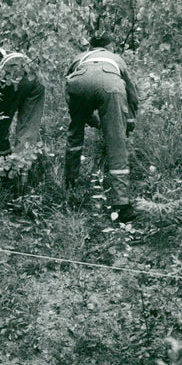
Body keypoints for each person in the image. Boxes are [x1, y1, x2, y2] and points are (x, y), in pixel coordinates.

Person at [64, 34, 139, 223]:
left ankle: (69, 183)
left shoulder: (79, 58)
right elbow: (132, 94)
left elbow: (68, 90)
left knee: (75, 133)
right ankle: (121, 205)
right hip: (110, 86)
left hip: (78, 83)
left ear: (90, 47)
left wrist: (87, 119)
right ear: (110, 46)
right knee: (116, 142)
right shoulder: (116, 59)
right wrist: (128, 123)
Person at [0, 49, 45, 164]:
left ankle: (4, 169)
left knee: (0, 125)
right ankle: (22, 172)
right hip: (33, 72)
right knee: (28, 128)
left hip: (11, 77)